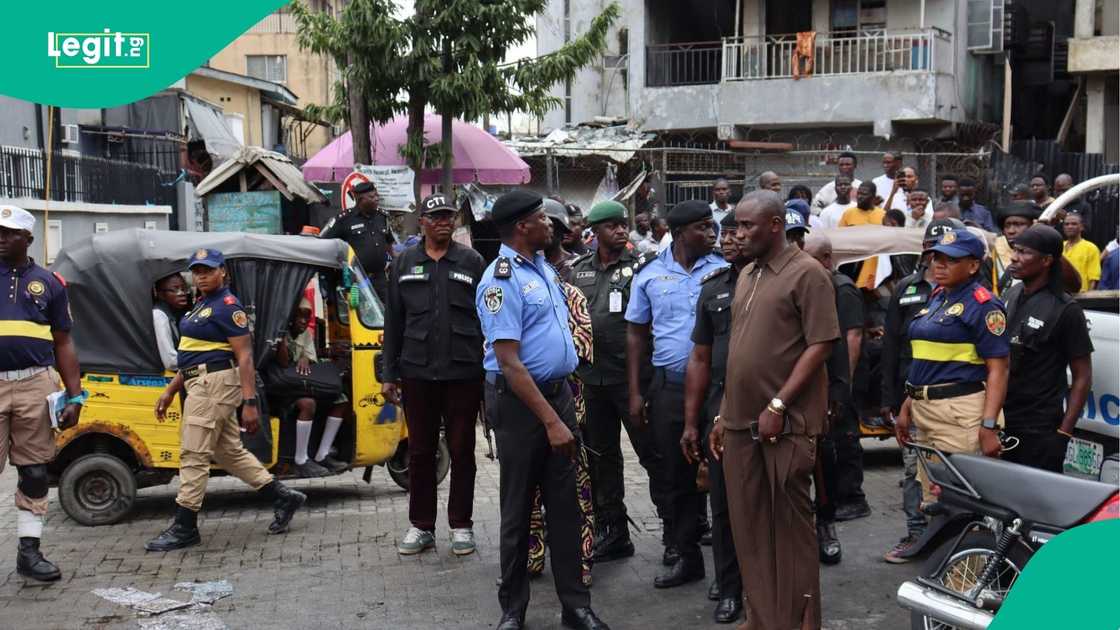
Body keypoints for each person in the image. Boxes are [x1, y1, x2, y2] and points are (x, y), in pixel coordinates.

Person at [476, 190, 607, 630]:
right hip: (520, 406)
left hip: (558, 396)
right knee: (517, 510)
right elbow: (509, 363)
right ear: (522, 227)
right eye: (542, 218)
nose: (550, 223)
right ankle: (513, 610)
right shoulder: (501, 280)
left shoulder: (543, 269)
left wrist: (560, 411)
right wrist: (552, 422)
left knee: (565, 507)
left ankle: (576, 607)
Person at [710, 190, 839, 630]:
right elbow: (738, 353)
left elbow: (821, 343)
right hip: (739, 424)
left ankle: (801, 622)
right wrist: (723, 413)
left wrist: (779, 403)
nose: (738, 234)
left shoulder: (808, 273)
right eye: (736, 226)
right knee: (749, 530)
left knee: (790, 531)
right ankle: (763, 619)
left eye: (748, 226)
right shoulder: (747, 273)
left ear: (776, 225)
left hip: (785, 426)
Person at [147, 248, 306, 552]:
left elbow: (244, 356)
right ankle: (283, 497)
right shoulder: (202, 304)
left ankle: (185, 526)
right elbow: (192, 354)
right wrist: (171, 390)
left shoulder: (228, 306)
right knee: (228, 451)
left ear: (223, 272)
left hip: (213, 384)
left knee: (193, 453)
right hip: (198, 380)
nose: (201, 276)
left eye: (208, 270)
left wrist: (250, 403)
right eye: (197, 271)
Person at [626, 200, 727, 589]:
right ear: (680, 233)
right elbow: (636, 334)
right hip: (669, 388)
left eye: (712, 226)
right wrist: (635, 393)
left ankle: (728, 570)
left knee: (722, 476)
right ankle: (687, 558)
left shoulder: (725, 269)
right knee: (676, 476)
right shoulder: (649, 274)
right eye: (703, 227)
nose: (712, 233)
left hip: (717, 390)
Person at [382, 193, 486, 556]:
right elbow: (393, 321)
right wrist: (388, 373)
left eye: (448, 216)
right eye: (436, 217)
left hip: (463, 371)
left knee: (462, 450)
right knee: (421, 452)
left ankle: (461, 525)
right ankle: (421, 525)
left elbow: (487, 318)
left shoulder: (472, 261)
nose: (444, 222)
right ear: (422, 222)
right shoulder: (404, 262)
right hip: (417, 371)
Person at [570, 200, 665, 565]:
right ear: (595, 232)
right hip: (592, 381)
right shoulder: (578, 270)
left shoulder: (643, 266)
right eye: (611, 225)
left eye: (623, 224)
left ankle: (676, 527)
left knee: (652, 453)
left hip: (633, 380)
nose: (621, 230)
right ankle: (613, 532)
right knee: (602, 459)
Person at [893, 229, 1010, 510]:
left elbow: (999, 369)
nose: (940, 265)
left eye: (951, 260)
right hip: (925, 411)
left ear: (973, 266)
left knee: (962, 503)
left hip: (960, 414)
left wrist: (989, 426)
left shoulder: (984, 305)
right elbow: (928, 362)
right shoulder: (938, 296)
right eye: (937, 258)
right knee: (934, 501)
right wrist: (907, 406)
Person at [0, 205, 83, 582]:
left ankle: (29, 553)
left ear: (28, 238)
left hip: (36, 383)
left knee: (34, 471)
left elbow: (63, 342)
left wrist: (75, 396)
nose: (1, 238)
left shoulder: (50, 283)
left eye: (9, 233)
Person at [878, 218, 961, 563]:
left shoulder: (969, 293)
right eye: (932, 250)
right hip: (910, 395)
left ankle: (953, 539)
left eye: (947, 252)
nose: (937, 258)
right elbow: (890, 345)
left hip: (956, 399)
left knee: (954, 471)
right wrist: (888, 398)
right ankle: (916, 535)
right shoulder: (906, 288)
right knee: (914, 470)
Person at [681, 211, 746, 624]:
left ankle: (767, 584)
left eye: (739, 231)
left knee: (764, 507)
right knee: (721, 506)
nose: (729, 239)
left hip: (766, 412)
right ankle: (729, 588)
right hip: (720, 413)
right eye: (727, 232)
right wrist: (692, 422)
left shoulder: (777, 283)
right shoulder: (713, 288)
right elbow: (700, 357)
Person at [1002, 224, 1094, 472]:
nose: (1014, 257)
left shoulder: (1066, 309)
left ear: (1046, 261)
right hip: (1001, 421)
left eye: (1024, 252)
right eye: (1015, 250)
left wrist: (1063, 433)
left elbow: (1083, 376)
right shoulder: (1010, 294)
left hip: (1039, 430)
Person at [803, 233, 864, 565]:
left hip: (825, 390)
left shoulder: (838, 288)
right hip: (791, 393)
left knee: (826, 461)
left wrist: (840, 392)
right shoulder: (795, 285)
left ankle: (826, 525)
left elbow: (844, 341)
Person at [274, 299, 348, 478]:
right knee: (308, 404)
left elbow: (310, 358)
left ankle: (323, 453)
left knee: (341, 401)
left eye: (307, 317)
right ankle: (300, 460)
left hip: (302, 382)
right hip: (283, 386)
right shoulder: (280, 332)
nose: (303, 321)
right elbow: (283, 362)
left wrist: (306, 358)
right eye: (299, 317)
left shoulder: (306, 334)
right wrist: (282, 338)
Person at [320, 181, 395, 302]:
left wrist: (394, 263)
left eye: (377, 195)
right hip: (356, 279)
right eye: (372, 197)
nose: (376, 199)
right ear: (360, 200)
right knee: (360, 311)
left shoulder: (382, 217)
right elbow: (325, 244)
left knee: (386, 310)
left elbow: (389, 243)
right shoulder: (344, 219)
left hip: (380, 279)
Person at [838, 181, 886, 290]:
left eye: (864, 194)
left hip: (875, 269)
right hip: (853, 269)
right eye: (858, 193)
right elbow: (840, 240)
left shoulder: (882, 215)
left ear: (873, 197)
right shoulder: (848, 214)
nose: (859, 196)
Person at [993, 202, 1041, 294]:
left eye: (1018, 224)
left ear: (1034, 226)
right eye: (1007, 226)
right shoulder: (994, 253)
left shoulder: (1046, 257)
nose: (1011, 231)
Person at [153, 273, 189, 371]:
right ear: (161, 295)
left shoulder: (176, 313)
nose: (182, 293)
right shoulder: (159, 315)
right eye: (175, 289)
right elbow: (171, 362)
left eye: (184, 289)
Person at [1062, 213, 1100, 292]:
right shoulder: (1059, 246)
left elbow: (1093, 278)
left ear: (1081, 227)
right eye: (1066, 224)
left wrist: (1089, 297)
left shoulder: (1091, 248)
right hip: (1060, 295)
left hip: (1081, 295)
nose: (1069, 226)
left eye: (1074, 224)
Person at [543, 198, 578, 281]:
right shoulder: (530, 263)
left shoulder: (577, 265)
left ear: (562, 230)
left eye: (551, 225)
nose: (547, 230)